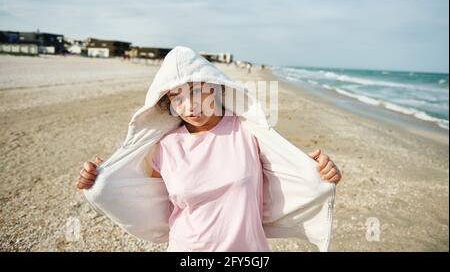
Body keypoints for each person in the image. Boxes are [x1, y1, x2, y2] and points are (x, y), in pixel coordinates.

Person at [77, 46, 341, 252]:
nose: (189, 106)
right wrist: (99, 179)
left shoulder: (246, 130)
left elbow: (288, 172)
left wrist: (318, 172)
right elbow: (135, 190)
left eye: (195, 91)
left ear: (214, 86)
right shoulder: (164, 147)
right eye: (176, 97)